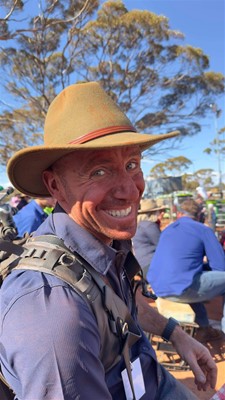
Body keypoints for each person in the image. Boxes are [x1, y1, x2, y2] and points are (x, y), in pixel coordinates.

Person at [0, 82, 217, 400]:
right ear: (55, 185)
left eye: (132, 165)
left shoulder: (103, 243)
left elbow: (118, 310)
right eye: (99, 171)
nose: (130, 190)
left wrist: (176, 334)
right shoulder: (55, 313)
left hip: (153, 380)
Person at [147, 198, 225, 342]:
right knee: (197, 281)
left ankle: (205, 328)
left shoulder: (167, 230)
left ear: (179, 215)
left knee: (191, 278)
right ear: (200, 216)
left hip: (158, 288)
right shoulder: (203, 229)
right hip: (181, 288)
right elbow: (221, 267)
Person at [132, 198, 167, 278]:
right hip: (151, 264)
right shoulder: (149, 225)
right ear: (153, 213)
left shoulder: (139, 225)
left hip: (140, 265)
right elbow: (162, 245)